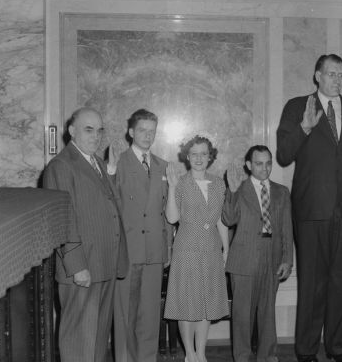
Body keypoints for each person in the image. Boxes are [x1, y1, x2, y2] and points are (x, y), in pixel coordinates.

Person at [277, 54, 342, 362]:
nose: (337, 80)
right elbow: (283, 155)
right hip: (311, 208)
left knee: (341, 282)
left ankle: (337, 347)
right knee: (312, 282)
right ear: (317, 76)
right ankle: (305, 350)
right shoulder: (297, 107)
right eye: (331, 74)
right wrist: (303, 128)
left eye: (341, 75)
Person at [43, 107, 129, 362]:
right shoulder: (61, 166)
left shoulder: (97, 163)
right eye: (88, 129)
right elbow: (61, 221)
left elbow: (103, 204)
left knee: (98, 341)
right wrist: (77, 265)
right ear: (71, 132)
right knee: (80, 341)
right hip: (83, 268)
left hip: (104, 264)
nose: (96, 136)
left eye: (99, 130)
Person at [108, 109, 173, 362]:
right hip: (129, 250)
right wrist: (111, 171)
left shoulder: (162, 165)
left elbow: (165, 212)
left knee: (149, 315)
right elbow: (110, 203)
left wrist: (166, 248)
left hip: (155, 252)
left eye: (152, 131)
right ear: (131, 132)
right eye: (143, 130)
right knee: (125, 315)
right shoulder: (118, 163)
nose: (148, 136)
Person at [222, 145, 294, 362]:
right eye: (259, 163)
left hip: (271, 257)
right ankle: (242, 357)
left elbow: (287, 228)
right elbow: (228, 219)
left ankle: (268, 356)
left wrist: (287, 260)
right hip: (244, 258)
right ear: (249, 165)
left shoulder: (282, 192)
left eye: (268, 163)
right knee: (242, 315)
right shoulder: (238, 188)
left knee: (267, 313)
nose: (265, 168)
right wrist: (232, 192)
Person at [163, 135, 229, 362]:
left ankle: (201, 353)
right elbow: (172, 217)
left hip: (211, 249)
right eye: (194, 154)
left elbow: (220, 219)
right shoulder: (180, 183)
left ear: (210, 157)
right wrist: (171, 188)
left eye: (203, 153)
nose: (199, 158)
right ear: (187, 157)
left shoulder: (219, 183)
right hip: (187, 249)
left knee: (206, 303)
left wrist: (226, 249)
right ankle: (189, 354)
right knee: (187, 304)